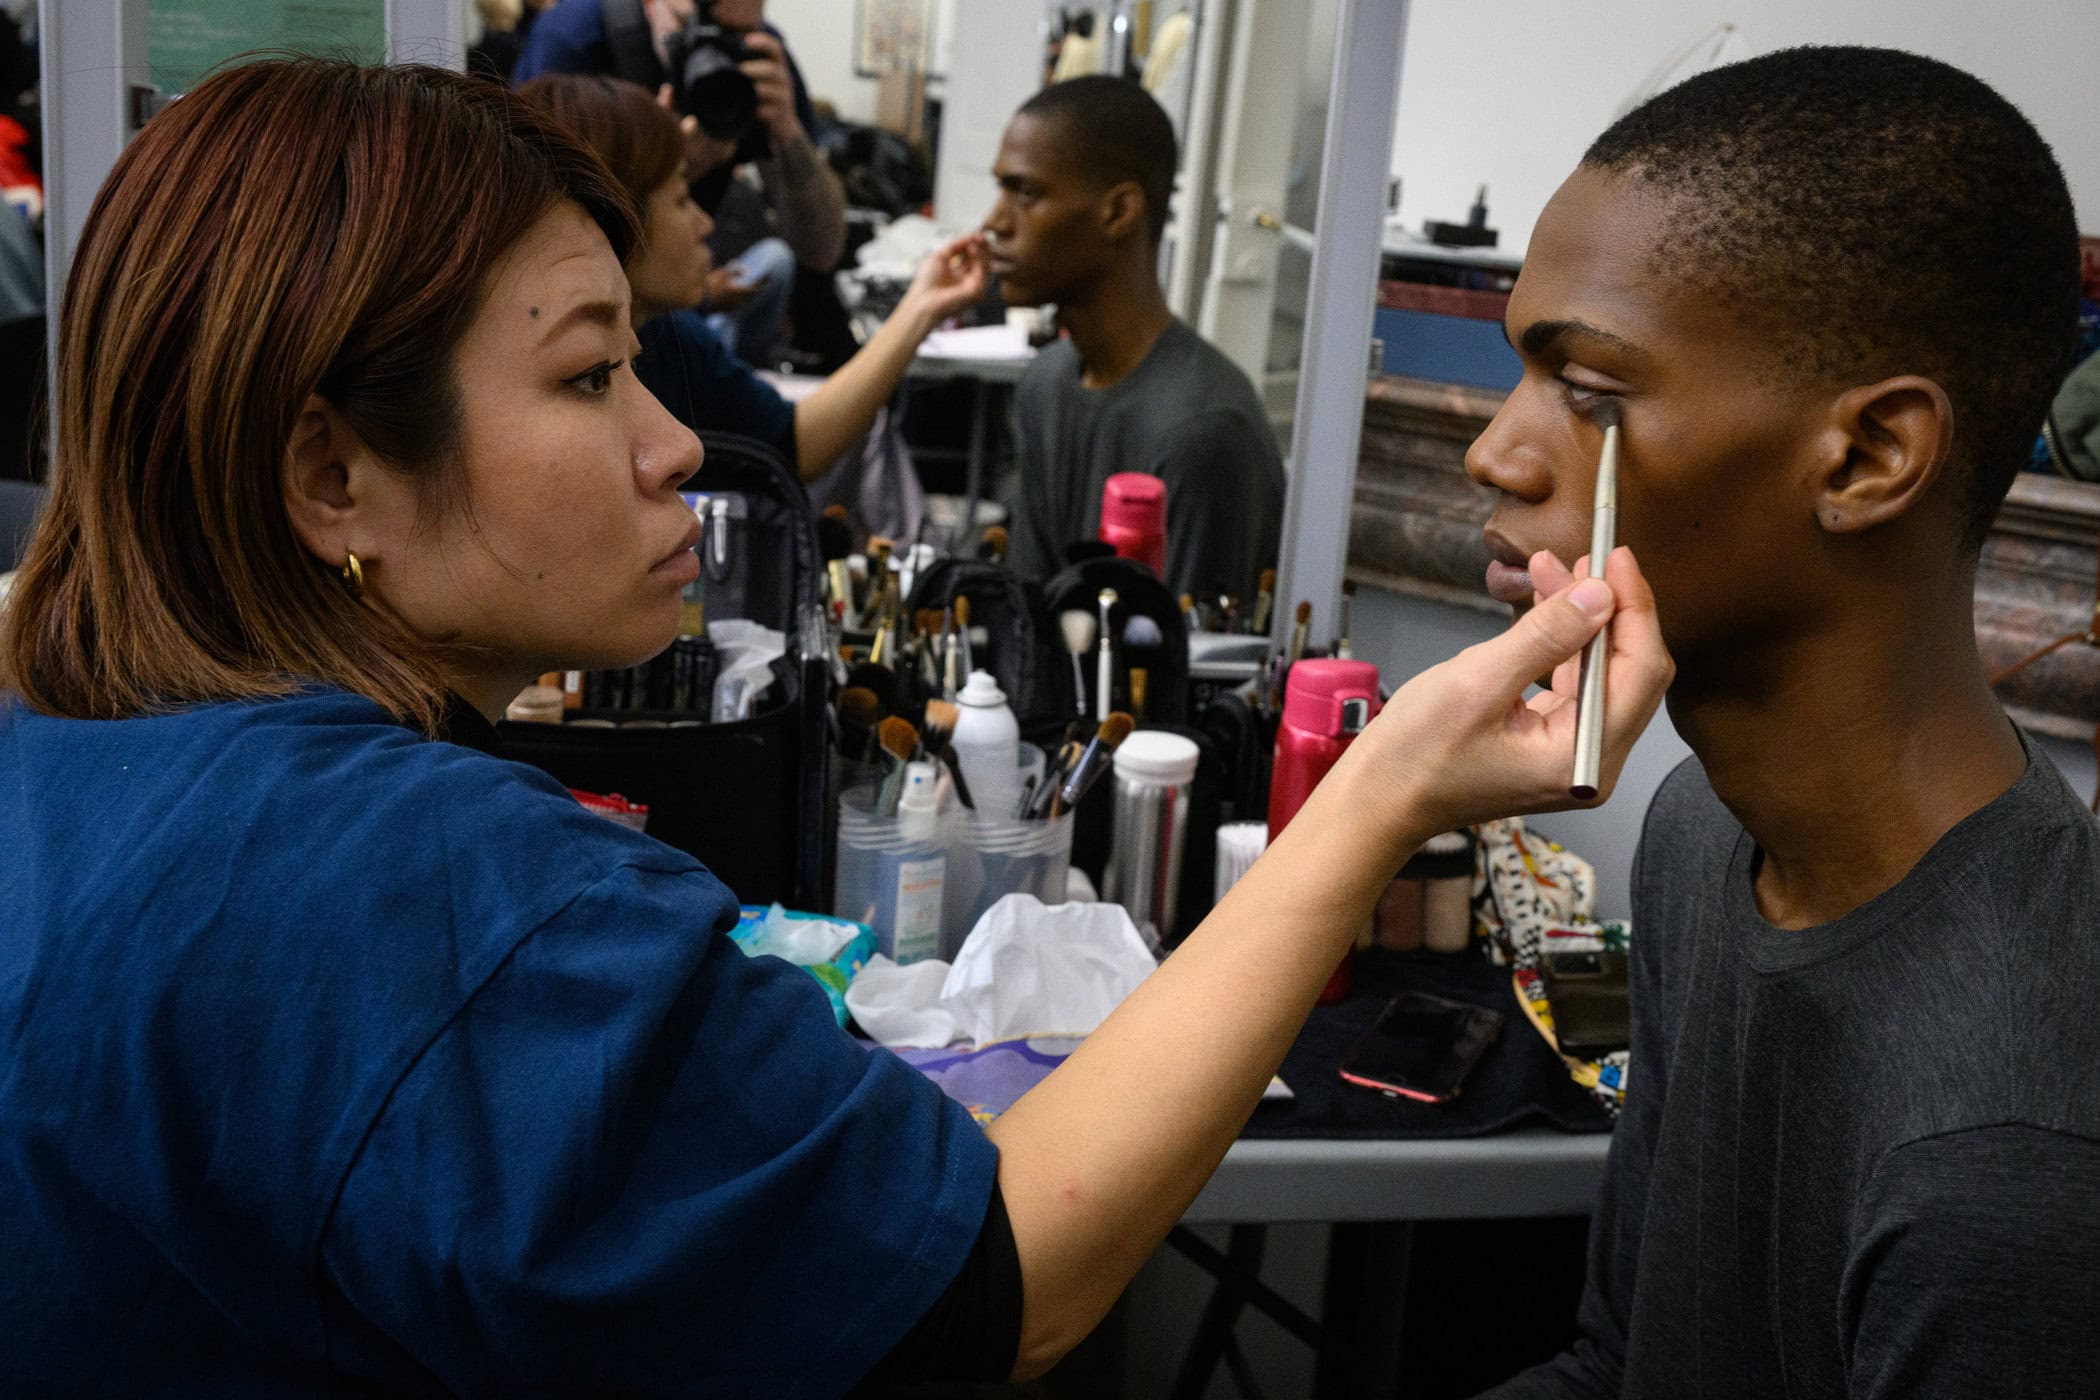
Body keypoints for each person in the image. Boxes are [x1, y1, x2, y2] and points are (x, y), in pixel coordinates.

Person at [0, 59, 1670, 1396]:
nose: (677, 449)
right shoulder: (436, 903)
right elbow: (988, 1290)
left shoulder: (59, 759)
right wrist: (1379, 792)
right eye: (588, 380)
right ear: (328, 475)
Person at [1461, 47, 2100, 1398]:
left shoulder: (2006, 1162)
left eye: (1590, 395)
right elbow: (1619, 1364)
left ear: (1869, 459)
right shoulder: (1704, 841)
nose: (1498, 453)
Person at [519, 72, 971, 489]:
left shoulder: (670, 336)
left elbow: (789, 443)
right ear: (613, 219)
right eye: (681, 199)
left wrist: (921, 307)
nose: (704, 223)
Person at [986, 75, 1283, 602]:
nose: (995, 222)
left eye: (1026, 193)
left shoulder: (1204, 432)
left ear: (1119, 211)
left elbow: (1191, 669)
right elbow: (1028, 608)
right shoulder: (1043, 384)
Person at [515, 0, 844, 367]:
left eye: (738, 32)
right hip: (598, 317)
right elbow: (531, 251)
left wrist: (788, 131)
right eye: (698, 24)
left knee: (776, 264)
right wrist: (666, 165)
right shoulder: (573, 39)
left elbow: (822, 250)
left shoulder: (757, 52)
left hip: (682, 293)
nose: (714, 46)